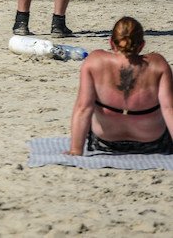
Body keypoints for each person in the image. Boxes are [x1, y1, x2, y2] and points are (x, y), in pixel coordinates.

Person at [68, 17, 173, 156]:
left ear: (111, 43)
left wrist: (76, 149)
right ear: (141, 45)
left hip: (106, 142)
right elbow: (169, 109)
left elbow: (83, 108)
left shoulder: (95, 62)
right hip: (151, 142)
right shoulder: (157, 64)